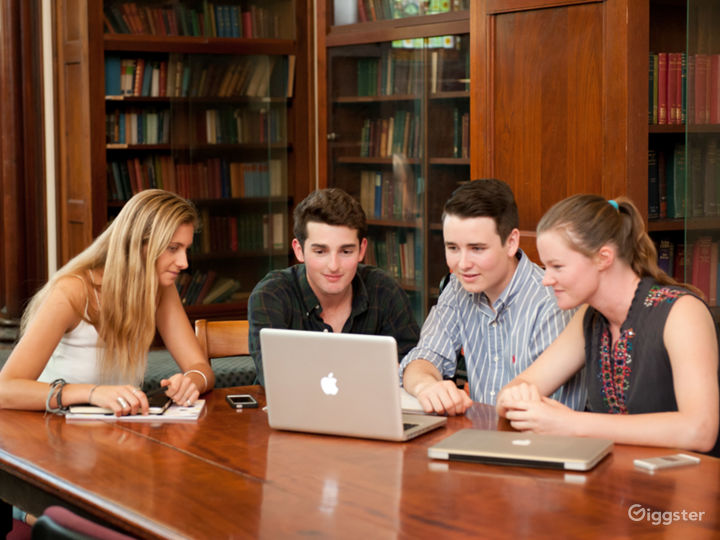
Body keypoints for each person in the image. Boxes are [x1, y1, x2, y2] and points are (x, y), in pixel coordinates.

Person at [496, 195, 720, 456]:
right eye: (546, 267)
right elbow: (520, 386)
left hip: (689, 489)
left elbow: (700, 430)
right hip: (621, 483)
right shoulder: (588, 317)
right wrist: (513, 399)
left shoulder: (682, 313)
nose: (546, 280)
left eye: (557, 266)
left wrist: (572, 424)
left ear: (603, 258)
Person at [0, 189, 215, 416]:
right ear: (137, 244)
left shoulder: (160, 289)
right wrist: (92, 393)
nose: (183, 263)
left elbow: (201, 369)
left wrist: (192, 381)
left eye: (186, 249)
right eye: (173, 248)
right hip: (51, 427)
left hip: (114, 429)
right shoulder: (72, 291)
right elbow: (6, 389)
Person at [401, 179, 585, 415]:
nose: (463, 264)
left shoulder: (550, 300)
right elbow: (425, 356)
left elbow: (552, 413)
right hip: (480, 436)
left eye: (477, 248)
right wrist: (426, 386)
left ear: (511, 243)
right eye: (453, 248)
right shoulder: (459, 286)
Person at [248, 188, 420, 385]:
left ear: (362, 249)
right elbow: (275, 378)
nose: (333, 265)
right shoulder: (272, 295)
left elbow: (414, 364)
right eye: (320, 251)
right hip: (293, 413)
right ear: (299, 250)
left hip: (367, 412)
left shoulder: (383, 290)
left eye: (346, 251)